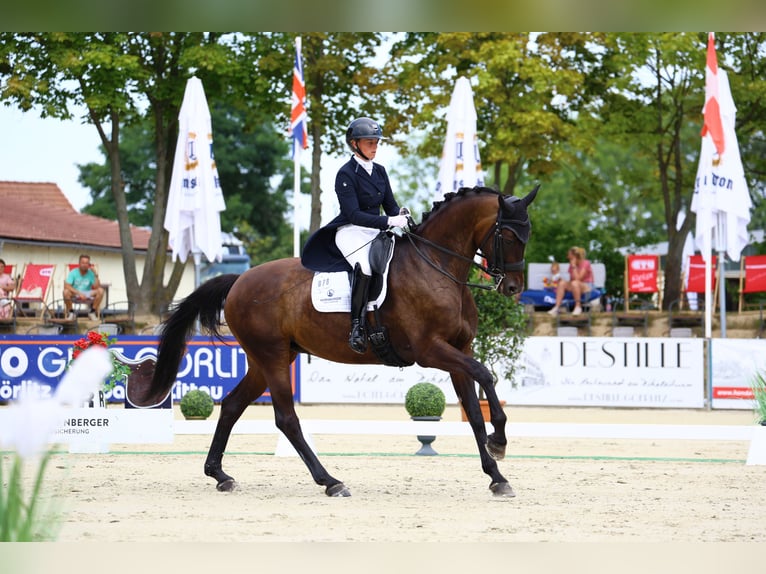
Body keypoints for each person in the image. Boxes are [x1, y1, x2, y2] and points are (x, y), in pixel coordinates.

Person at [301, 117, 409, 353]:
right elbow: (354, 214)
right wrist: (389, 220)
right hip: (350, 231)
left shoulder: (380, 171)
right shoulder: (345, 174)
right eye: (370, 142)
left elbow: (390, 205)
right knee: (366, 267)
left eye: (376, 142)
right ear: (354, 144)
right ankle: (357, 327)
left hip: (375, 230)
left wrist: (401, 214)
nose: (375, 147)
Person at [548, 246, 594, 316]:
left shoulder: (585, 263)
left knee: (575, 283)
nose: (567, 257)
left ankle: (578, 307)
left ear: (574, 256)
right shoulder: (571, 265)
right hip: (576, 285)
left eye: (569, 255)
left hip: (587, 286)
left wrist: (574, 266)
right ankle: (557, 307)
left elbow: (578, 279)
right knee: (562, 283)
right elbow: (572, 280)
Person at [64, 254, 104, 321]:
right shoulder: (73, 272)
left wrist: (95, 274)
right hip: (75, 292)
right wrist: (79, 293)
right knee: (65, 292)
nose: (84, 265)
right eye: (83, 262)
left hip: (87, 293)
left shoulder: (91, 273)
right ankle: (71, 313)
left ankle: (92, 312)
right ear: (79, 263)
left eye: (86, 263)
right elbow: (67, 286)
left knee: (101, 290)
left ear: (89, 264)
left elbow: (96, 287)